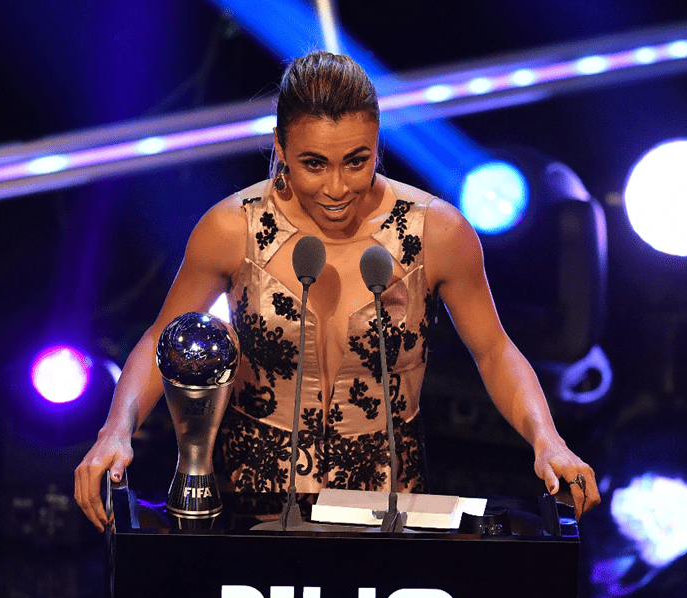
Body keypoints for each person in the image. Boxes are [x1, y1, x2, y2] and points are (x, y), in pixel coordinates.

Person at [75, 51, 600, 529]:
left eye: (357, 160)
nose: (337, 188)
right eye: (314, 164)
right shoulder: (231, 228)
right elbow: (162, 338)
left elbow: (493, 351)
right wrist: (114, 431)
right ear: (280, 146)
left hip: (387, 511)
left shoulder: (438, 232)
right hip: (249, 505)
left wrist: (547, 439)